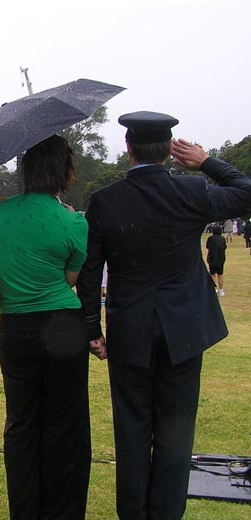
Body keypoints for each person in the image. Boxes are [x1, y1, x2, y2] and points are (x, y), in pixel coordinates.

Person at [77, 111, 251, 520]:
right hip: (184, 328)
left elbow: (90, 272)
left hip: (130, 328)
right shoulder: (191, 190)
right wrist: (207, 161)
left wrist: (91, 328)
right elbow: (245, 191)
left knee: (132, 431)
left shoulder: (104, 201)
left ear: (128, 149)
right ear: (170, 152)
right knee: (175, 434)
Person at [0, 134, 90, 519]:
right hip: (61, 326)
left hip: (13, 328)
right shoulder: (72, 221)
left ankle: (25, 509)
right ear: (62, 172)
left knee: (21, 423)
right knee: (65, 425)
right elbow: (70, 279)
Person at [206, 225, 227, 296]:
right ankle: (221, 291)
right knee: (220, 275)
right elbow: (224, 247)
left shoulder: (210, 238)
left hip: (212, 258)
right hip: (220, 259)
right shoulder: (222, 239)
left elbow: (207, 246)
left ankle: (214, 289)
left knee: (212, 275)